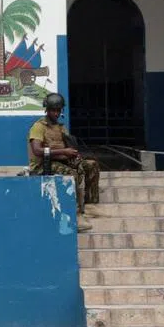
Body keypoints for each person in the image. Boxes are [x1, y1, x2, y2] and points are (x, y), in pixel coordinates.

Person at [28, 93, 100, 232]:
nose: (55, 113)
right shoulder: (38, 127)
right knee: (71, 174)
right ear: (46, 110)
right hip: (43, 165)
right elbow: (37, 150)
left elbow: (67, 146)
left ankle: (89, 204)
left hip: (61, 161)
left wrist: (73, 155)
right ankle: (77, 214)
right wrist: (63, 152)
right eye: (52, 110)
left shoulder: (61, 127)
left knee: (91, 165)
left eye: (58, 110)